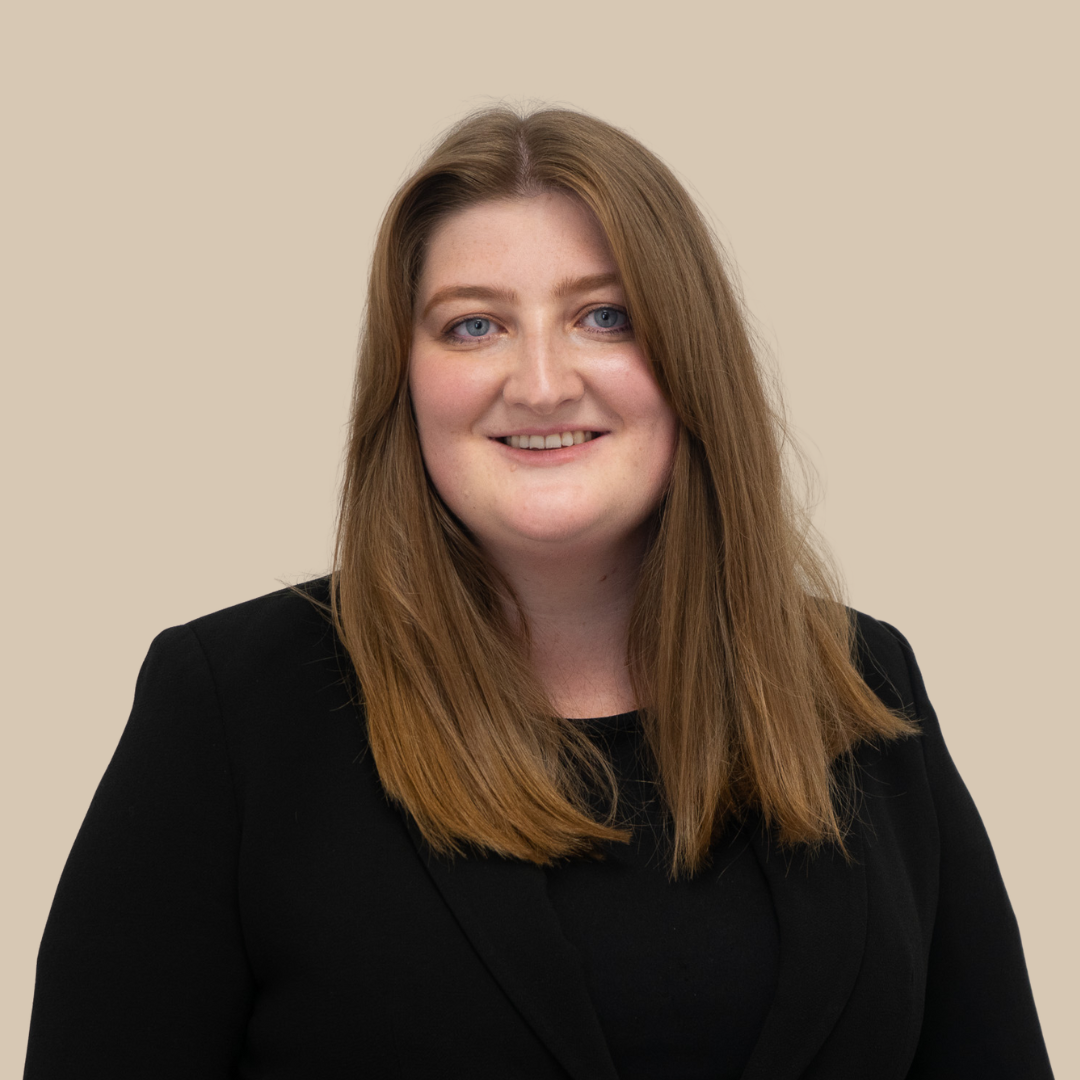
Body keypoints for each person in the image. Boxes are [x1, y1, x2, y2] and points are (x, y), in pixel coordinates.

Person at [24, 107, 1053, 1079]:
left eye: (604, 316)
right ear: (407, 378)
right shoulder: (230, 713)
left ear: (690, 360)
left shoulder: (861, 687)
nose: (543, 381)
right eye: (474, 327)